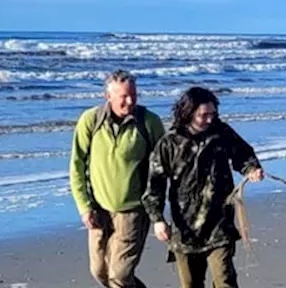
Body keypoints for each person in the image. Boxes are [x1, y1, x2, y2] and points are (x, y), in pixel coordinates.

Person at [143, 86, 264, 288]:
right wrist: (158, 219)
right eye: (203, 115)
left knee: (225, 280)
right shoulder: (169, 143)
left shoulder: (221, 133)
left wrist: (252, 169)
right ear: (188, 113)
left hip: (219, 223)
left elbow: (243, 154)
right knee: (191, 283)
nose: (209, 119)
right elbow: (155, 184)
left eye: (213, 114)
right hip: (185, 228)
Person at [69, 69, 166, 288]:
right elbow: (76, 165)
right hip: (98, 209)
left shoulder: (149, 122)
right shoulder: (90, 120)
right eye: (123, 96)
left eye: (134, 95)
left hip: (133, 211)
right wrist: (84, 207)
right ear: (108, 96)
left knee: (120, 275)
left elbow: (164, 167)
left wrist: (158, 212)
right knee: (99, 272)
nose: (130, 101)